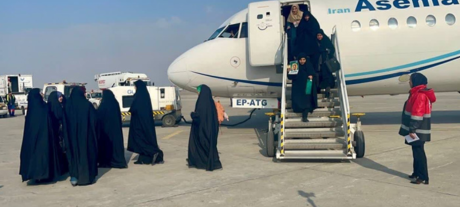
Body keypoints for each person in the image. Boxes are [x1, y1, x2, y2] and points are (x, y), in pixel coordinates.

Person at [19, 89, 67, 183]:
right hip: (45, 139)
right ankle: (45, 175)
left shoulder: (30, 112)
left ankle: (35, 176)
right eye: (40, 94)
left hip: (33, 141)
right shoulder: (44, 108)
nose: (41, 95)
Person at [399, 73, 436, 185]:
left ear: (416, 81)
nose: (409, 82)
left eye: (410, 80)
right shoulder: (416, 93)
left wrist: (412, 130)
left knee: (419, 153)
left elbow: (417, 114)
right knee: (416, 151)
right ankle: (416, 173)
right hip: (418, 129)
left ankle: (423, 176)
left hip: (417, 130)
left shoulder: (419, 95)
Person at [63, 87, 98, 186]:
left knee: (73, 155)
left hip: (71, 137)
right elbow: (95, 120)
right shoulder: (87, 105)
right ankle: (87, 177)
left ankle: (74, 177)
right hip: (86, 136)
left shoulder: (67, 105)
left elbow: (64, 122)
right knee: (87, 153)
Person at [127, 80, 164, 165]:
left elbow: (135, 108)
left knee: (140, 140)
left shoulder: (139, 96)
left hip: (140, 124)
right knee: (143, 139)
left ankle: (153, 152)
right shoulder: (144, 95)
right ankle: (143, 159)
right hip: (143, 122)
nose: (134, 88)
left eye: (135, 86)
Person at [187, 85, 222, 171]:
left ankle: (202, 162)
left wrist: (192, 114)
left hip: (202, 130)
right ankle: (213, 162)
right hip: (210, 130)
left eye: (199, 92)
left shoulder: (201, 102)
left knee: (201, 146)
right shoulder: (210, 103)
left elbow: (199, 116)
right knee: (210, 146)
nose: (198, 93)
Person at [97, 90, 128, 169]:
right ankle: (118, 161)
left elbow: (99, 116)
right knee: (115, 145)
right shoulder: (115, 103)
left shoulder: (103, 104)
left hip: (106, 130)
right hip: (115, 129)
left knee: (106, 145)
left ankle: (106, 161)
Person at [287, 53, 318, 122]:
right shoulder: (295, 66)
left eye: (304, 59)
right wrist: (289, 71)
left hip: (307, 85)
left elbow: (313, 75)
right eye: (300, 59)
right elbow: (290, 77)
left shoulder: (309, 66)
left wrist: (311, 77)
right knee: (299, 101)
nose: (302, 61)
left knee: (307, 102)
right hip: (298, 87)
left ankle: (305, 117)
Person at [47, 91, 69, 174]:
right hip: (56, 133)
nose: (61, 98)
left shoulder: (62, 106)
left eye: (61, 96)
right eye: (59, 96)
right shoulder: (52, 107)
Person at [317, 30, 336, 98]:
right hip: (318, 63)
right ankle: (318, 91)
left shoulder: (326, 41)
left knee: (326, 77)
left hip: (325, 63)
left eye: (320, 35)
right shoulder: (315, 43)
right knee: (318, 77)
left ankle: (327, 91)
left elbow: (332, 49)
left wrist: (327, 52)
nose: (319, 37)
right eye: (318, 36)